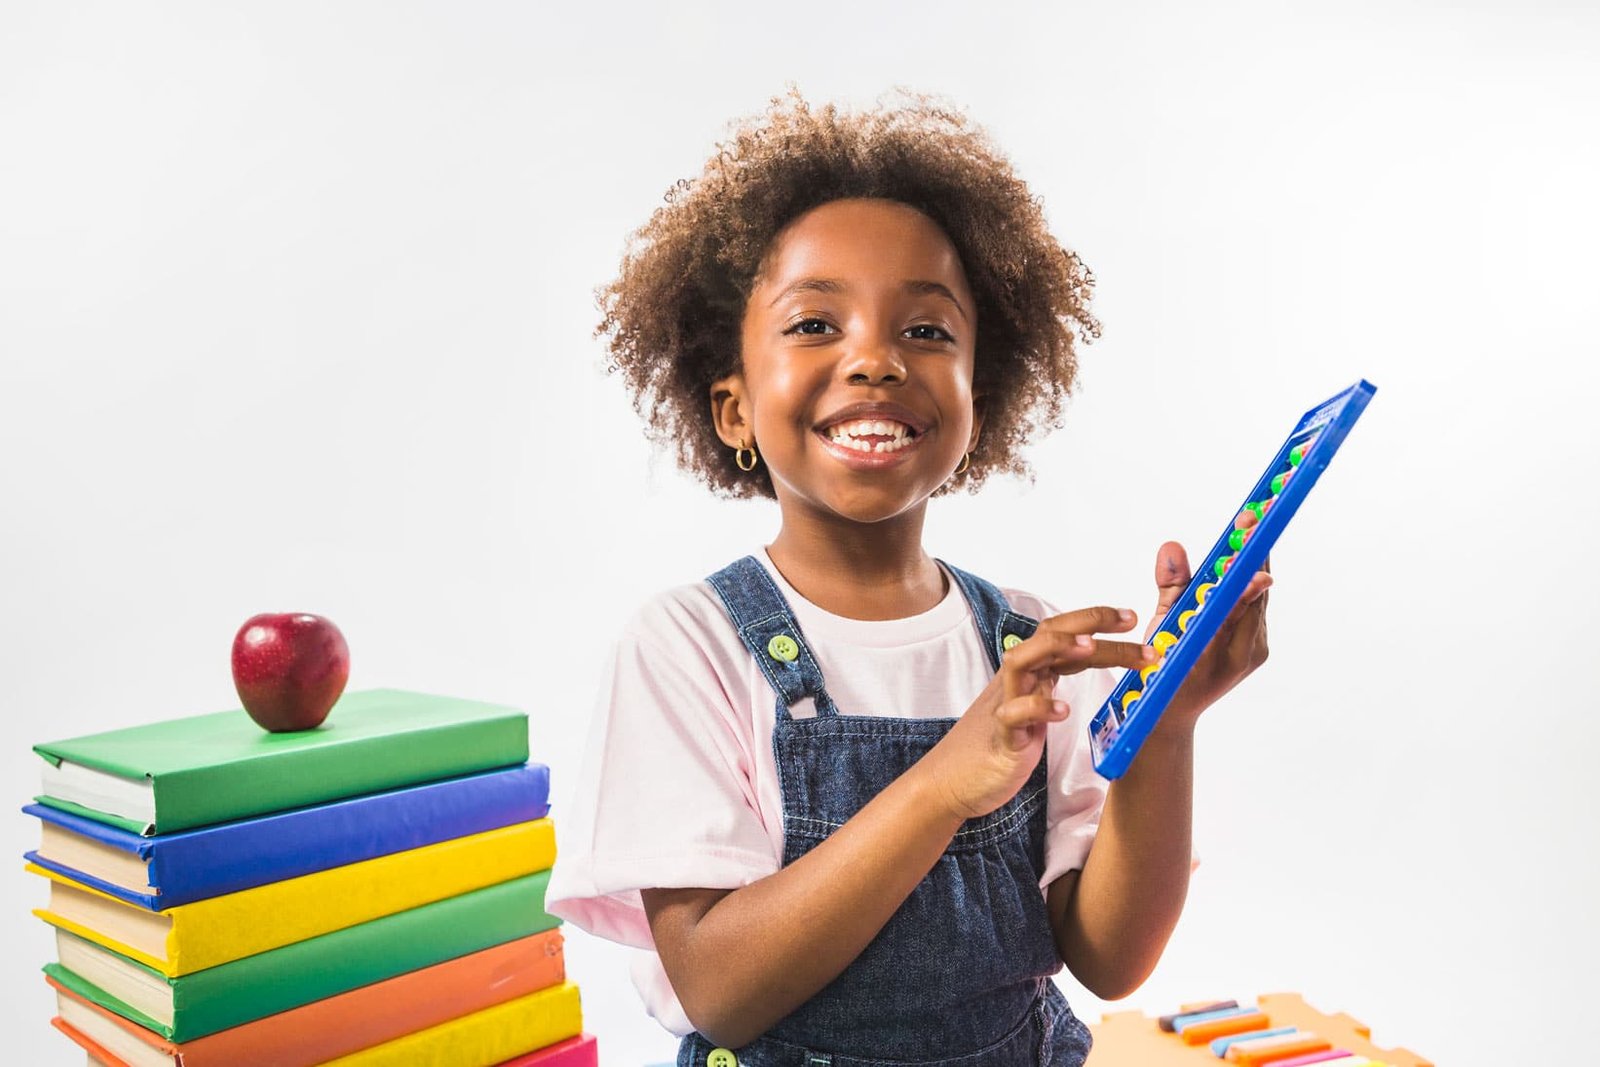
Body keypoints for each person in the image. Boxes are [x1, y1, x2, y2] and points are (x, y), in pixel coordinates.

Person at [545, 89, 1272, 1067]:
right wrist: (943, 782)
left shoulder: (1022, 635)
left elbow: (1105, 956)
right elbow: (718, 988)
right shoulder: (688, 642)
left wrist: (1165, 725)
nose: (877, 359)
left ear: (983, 391)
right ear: (732, 409)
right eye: (813, 324)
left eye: (927, 331)